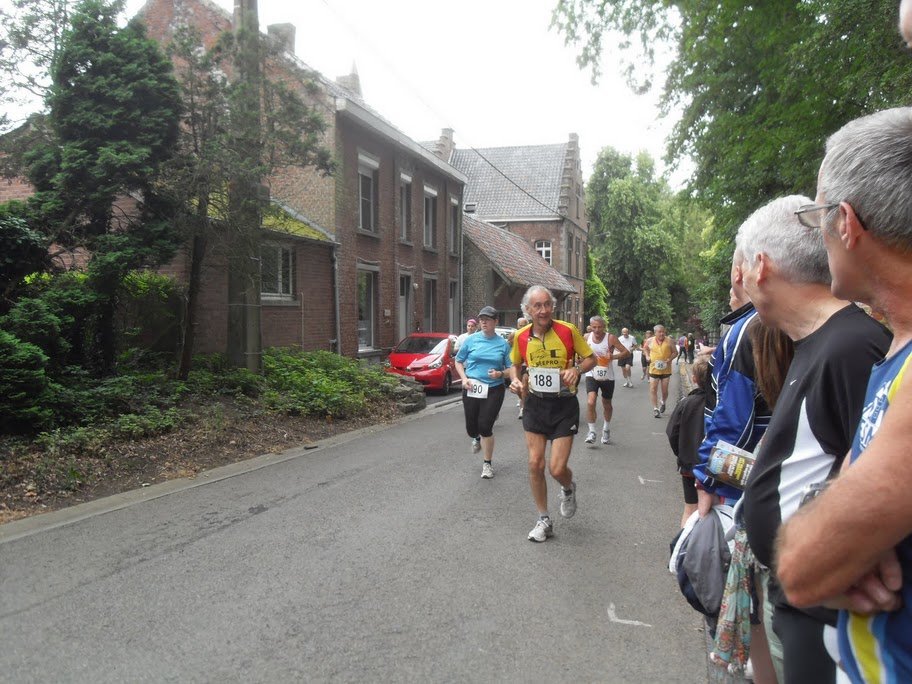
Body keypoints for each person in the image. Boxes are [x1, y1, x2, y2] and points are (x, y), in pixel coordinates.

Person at [773, 107, 912, 683]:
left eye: (817, 217)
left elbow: (801, 565)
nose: (818, 236)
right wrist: (837, 533)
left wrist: (831, 541)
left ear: (847, 223)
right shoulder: (897, 349)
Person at [733, 196, 892, 683]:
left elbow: (884, 486)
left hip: (828, 615)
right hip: (803, 602)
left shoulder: (851, 347)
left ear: (761, 267)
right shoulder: (816, 341)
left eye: (741, 266)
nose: (738, 280)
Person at [508, 285, 595, 543]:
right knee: (535, 463)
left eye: (547, 304)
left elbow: (590, 359)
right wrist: (515, 380)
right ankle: (543, 519)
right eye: (537, 306)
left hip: (563, 405)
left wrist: (576, 370)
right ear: (528, 310)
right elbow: (515, 365)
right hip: (535, 404)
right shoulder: (521, 336)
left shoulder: (568, 331)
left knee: (557, 468)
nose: (543, 310)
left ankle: (568, 487)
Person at [454, 306, 513, 479]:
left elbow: (511, 369)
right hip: (472, 387)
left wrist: (500, 374)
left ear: (496, 321)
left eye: (487, 319)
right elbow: (458, 361)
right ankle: (476, 437)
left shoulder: (503, 344)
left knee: (486, 426)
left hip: (494, 389)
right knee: (472, 428)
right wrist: (464, 379)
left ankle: (487, 464)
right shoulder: (471, 340)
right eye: (481, 320)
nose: (484, 322)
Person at [666, 356, 709, 528]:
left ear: (694, 379)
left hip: (689, 464)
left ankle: (684, 541)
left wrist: (681, 453)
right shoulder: (722, 403)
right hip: (713, 466)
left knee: (690, 508)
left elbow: (672, 432)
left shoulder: (686, 403)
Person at [583, 315, 630, 445]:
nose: (597, 330)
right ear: (590, 327)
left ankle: (606, 428)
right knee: (591, 401)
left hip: (607, 376)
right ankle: (592, 431)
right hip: (591, 374)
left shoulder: (610, 338)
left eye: (600, 327)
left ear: (604, 326)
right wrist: (580, 359)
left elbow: (626, 352)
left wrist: (613, 357)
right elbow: (580, 352)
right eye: (594, 327)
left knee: (607, 404)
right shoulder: (586, 337)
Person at [642, 325, 677, 418]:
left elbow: (675, 352)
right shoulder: (649, 340)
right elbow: (645, 348)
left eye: (663, 332)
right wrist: (647, 356)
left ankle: (663, 401)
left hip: (666, 369)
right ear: (655, 333)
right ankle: (655, 408)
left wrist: (670, 359)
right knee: (653, 388)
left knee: (664, 390)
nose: (662, 334)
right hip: (654, 369)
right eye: (659, 332)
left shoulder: (669, 341)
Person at [510, 316, 530, 419]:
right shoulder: (514, 335)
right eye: (520, 325)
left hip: (528, 365)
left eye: (524, 325)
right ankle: (523, 400)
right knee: (519, 387)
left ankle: (523, 407)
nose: (522, 327)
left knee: (525, 386)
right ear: (517, 326)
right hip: (518, 364)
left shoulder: (531, 334)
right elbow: (509, 347)